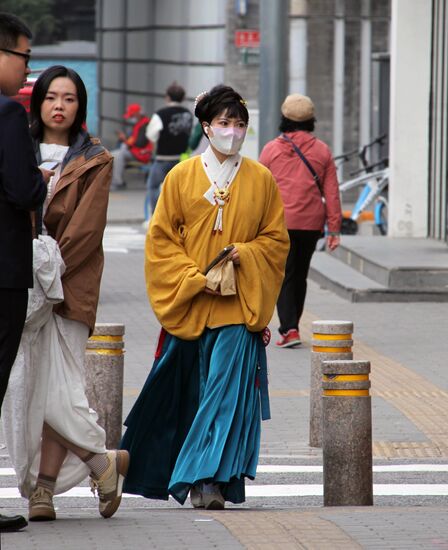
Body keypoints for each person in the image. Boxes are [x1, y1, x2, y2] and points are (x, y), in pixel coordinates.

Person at [121, 85, 289, 510]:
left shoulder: (261, 178)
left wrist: (245, 254)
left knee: (224, 393)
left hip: (238, 303)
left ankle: (205, 479)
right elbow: (160, 241)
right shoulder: (180, 177)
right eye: (223, 123)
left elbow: (275, 240)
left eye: (239, 124)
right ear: (206, 127)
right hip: (194, 300)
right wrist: (194, 276)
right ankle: (201, 475)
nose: (232, 132)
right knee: (193, 393)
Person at [1, 65, 129, 522]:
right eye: (52, 97)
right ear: (37, 104)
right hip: (20, 284)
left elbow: (85, 231)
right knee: (28, 388)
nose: (59, 105)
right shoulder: (17, 145)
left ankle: (45, 492)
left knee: (62, 388)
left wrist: (46, 272)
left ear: (81, 106)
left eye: (70, 98)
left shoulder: (95, 158)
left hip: (68, 286)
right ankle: (102, 461)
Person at [0, 12, 48, 533]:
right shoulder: (9, 117)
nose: (26, 70)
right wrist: (39, 180)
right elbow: (20, 189)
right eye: (23, 58)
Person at [259, 93, 342, 348]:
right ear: (311, 120)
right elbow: (332, 191)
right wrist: (334, 229)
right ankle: (292, 326)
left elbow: (258, 188)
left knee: (284, 275)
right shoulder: (322, 150)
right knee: (300, 275)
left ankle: (290, 329)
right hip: (310, 223)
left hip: (279, 223)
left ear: (284, 118)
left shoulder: (272, 149)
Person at [145, 82, 193, 211]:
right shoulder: (188, 114)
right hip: (182, 159)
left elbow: (151, 135)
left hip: (163, 159)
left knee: (154, 186)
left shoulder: (160, 114)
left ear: (167, 97)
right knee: (180, 189)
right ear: (182, 98)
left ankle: (157, 216)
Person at [110, 102, 152, 189]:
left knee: (118, 155)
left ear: (137, 114)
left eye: (132, 115)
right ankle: (116, 181)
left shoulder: (145, 124)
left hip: (142, 154)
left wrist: (125, 139)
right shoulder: (139, 123)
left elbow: (140, 143)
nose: (130, 118)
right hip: (135, 152)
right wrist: (125, 139)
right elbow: (134, 140)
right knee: (112, 154)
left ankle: (118, 182)